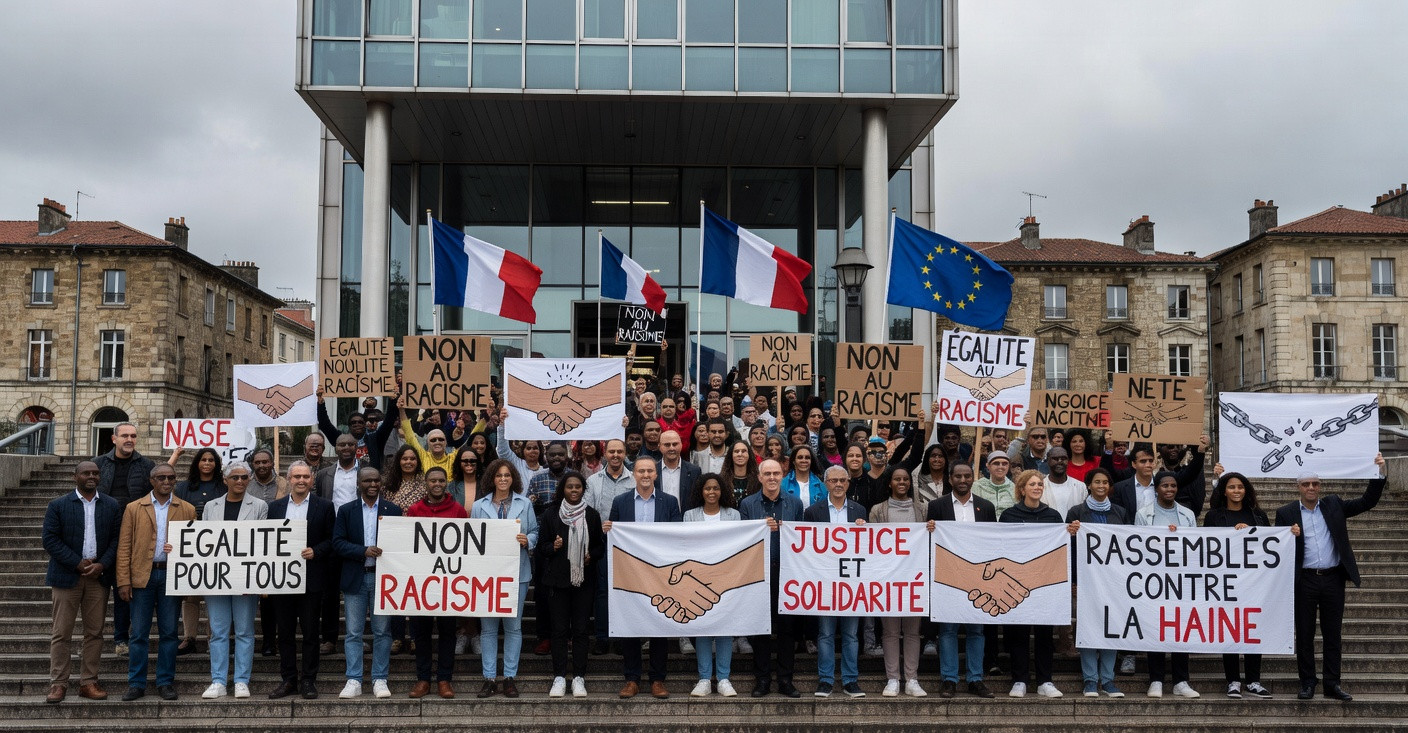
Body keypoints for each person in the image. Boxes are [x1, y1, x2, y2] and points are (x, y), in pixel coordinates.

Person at [1276, 454, 1385, 701]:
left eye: (1315, 484)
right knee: (1304, 634)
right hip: (1304, 580)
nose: (1311, 488)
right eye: (1306, 484)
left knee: (1332, 634)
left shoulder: (1334, 504)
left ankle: (1332, 684)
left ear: (1320, 486)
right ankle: (1307, 683)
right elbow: (1277, 545)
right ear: (1299, 488)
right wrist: (1288, 534)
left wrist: (1379, 473)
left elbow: (1367, 502)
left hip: (1333, 579)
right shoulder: (1286, 513)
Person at [43, 461, 123, 703]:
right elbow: (50, 540)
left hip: (98, 578)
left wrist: (102, 565)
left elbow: (117, 540)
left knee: (95, 632)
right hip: (67, 577)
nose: (91, 476)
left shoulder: (110, 505)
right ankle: (58, 683)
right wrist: (77, 563)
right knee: (61, 632)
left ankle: (88, 682)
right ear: (75, 476)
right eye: (86, 473)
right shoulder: (58, 505)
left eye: (95, 473)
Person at [604, 459, 682, 699]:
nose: (645, 474)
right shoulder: (621, 502)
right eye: (641, 471)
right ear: (634, 474)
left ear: (655, 474)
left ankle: (657, 680)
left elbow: (677, 534)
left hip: (661, 573)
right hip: (630, 572)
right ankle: (632, 679)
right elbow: (613, 536)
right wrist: (609, 528)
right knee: (631, 625)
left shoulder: (670, 502)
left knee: (660, 624)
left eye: (649, 470)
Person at [117, 463, 195, 701]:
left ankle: (165, 681)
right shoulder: (134, 508)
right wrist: (123, 580)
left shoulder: (187, 509)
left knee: (170, 632)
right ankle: (136, 683)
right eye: (161, 477)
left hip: (171, 575)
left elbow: (194, 545)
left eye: (171, 477)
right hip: (142, 575)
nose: (166, 481)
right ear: (152, 480)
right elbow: (124, 546)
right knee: (139, 633)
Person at [926, 462, 997, 699]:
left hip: (978, 578)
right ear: (950, 478)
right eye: (958, 476)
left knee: (977, 630)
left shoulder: (986, 507)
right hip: (948, 576)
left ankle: (975, 679)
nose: (963, 480)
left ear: (973, 478)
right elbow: (930, 540)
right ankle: (949, 679)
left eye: (967, 475)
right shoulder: (937, 506)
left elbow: (993, 542)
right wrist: (930, 529)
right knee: (948, 630)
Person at [199, 461, 270, 699]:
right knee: (218, 631)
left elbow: (262, 541)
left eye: (244, 477)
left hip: (246, 576)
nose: (240, 481)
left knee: (244, 631)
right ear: (225, 480)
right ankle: (218, 680)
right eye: (235, 477)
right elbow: (202, 541)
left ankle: (241, 680)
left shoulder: (259, 505)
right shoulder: (211, 506)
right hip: (216, 576)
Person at [267, 461, 335, 700]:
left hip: (311, 578)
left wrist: (315, 551)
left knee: (309, 633)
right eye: (297, 476)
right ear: (289, 478)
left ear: (312, 479)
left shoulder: (325, 507)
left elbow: (332, 540)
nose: (301, 480)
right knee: (284, 633)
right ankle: (288, 680)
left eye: (306, 476)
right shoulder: (274, 508)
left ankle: (308, 680)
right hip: (282, 579)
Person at [333, 467, 403, 699]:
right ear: (359, 484)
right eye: (367, 480)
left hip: (384, 579)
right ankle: (353, 679)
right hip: (356, 576)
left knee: (382, 631)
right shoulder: (346, 510)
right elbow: (338, 543)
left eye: (376, 479)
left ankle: (379, 678)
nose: (372, 484)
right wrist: (363, 551)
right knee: (353, 632)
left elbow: (401, 544)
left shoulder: (392, 510)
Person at [471, 459, 539, 699]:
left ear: (513, 479)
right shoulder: (479, 506)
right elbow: (472, 539)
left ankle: (509, 677)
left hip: (516, 573)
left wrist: (527, 540)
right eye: (498, 475)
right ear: (492, 478)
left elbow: (535, 532)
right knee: (488, 629)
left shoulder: (525, 503)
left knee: (513, 627)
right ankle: (489, 678)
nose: (502, 479)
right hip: (487, 575)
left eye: (507, 475)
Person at [1205, 466, 1273, 699]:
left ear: (1247, 490)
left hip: (1254, 582)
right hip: (1225, 582)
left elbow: (1270, 544)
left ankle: (1254, 680)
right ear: (1224, 491)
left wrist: (1252, 531)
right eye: (1232, 487)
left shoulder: (1258, 516)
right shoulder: (1214, 516)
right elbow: (1207, 547)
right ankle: (1233, 680)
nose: (1237, 490)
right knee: (1230, 631)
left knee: (1253, 629)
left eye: (1241, 487)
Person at [739, 459, 804, 698]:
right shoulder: (747, 504)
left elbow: (802, 538)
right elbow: (743, 539)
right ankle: (762, 680)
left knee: (787, 631)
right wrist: (760, 527)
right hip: (759, 574)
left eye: (776, 473)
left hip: (787, 574)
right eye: (767, 473)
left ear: (783, 475)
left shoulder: (795, 504)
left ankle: (786, 680)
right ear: (759, 477)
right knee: (761, 629)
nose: (772, 478)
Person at [538, 471, 605, 698]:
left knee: (580, 630)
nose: (574, 490)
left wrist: (591, 556)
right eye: (570, 487)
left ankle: (578, 678)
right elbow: (541, 548)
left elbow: (599, 548)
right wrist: (554, 547)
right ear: (563, 490)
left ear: (583, 489)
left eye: (578, 487)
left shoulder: (592, 516)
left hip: (583, 582)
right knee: (558, 631)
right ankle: (559, 677)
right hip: (557, 582)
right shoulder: (551, 515)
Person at [1063, 467, 1129, 698]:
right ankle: (1091, 680)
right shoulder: (1076, 512)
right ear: (1089, 485)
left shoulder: (1121, 512)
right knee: (1088, 629)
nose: (1101, 486)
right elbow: (1069, 549)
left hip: (1114, 582)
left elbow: (1130, 546)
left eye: (1105, 482)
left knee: (1111, 628)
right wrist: (1073, 579)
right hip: (1086, 581)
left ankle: (1108, 680)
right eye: (1097, 482)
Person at [999, 469, 1064, 699]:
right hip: (1017, 581)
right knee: (1019, 633)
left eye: (1040, 484)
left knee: (1045, 634)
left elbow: (1060, 546)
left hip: (1045, 582)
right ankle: (1019, 680)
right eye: (1032, 484)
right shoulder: (1009, 515)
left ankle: (1045, 681)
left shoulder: (1053, 516)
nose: (1037, 487)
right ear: (1022, 489)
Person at [1135, 470, 1199, 699]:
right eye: (1165, 486)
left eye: (1173, 486)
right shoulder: (1144, 514)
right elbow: (1139, 545)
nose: (1170, 490)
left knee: (1181, 630)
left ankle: (1181, 681)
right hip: (1155, 580)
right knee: (1156, 629)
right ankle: (1156, 680)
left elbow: (1196, 546)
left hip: (1182, 580)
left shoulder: (1188, 514)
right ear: (1156, 488)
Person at [804, 466, 866, 698]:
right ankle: (826, 680)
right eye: (833, 480)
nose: (838, 484)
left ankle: (850, 681)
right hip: (825, 583)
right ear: (825, 483)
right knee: (826, 634)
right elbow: (806, 546)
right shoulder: (813, 512)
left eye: (843, 480)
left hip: (852, 583)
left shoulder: (859, 510)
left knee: (851, 635)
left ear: (848, 483)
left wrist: (865, 530)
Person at [405, 467, 467, 699]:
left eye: (441, 480)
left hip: (449, 584)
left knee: (447, 633)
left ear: (446, 483)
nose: (437, 484)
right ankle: (423, 679)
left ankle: (444, 679)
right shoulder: (414, 510)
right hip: (421, 583)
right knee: (420, 633)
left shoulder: (458, 511)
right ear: (426, 483)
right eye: (433, 480)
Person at [94, 422, 155, 657]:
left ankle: (121, 638)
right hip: (104, 533)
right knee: (99, 590)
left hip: (134, 533)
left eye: (133, 436)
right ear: (114, 439)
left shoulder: (146, 465)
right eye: (125, 436)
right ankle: (95, 638)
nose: (129, 439)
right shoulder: (98, 464)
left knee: (124, 589)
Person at [868, 466, 927, 697]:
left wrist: (930, 529)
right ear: (889, 483)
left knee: (913, 631)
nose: (902, 482)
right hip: (887, 579)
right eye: (897, 479)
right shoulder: (877, 511)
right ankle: (892, 678)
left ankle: (912, 679)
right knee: (890, 632)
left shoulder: (922, 509)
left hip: (914, 578)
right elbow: (869, 544)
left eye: (905, 479)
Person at [683, 473, 741, 697]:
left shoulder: (733, 515)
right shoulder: (690, 516)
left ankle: (724, 678)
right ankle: (705, 678)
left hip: (726, 578)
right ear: (701, 491)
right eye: (707, 488)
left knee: (724, 628)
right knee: (703, 628)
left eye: (716, 488)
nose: (711, 492)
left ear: (722, 491)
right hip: (697, 580)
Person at [583, 439, 635, 653]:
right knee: (603, 592)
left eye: (619, 451)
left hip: (630, 545)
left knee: (627, 591)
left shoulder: (634, 480)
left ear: (625, 454)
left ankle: (625, 638)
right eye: (611, 451)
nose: (615, 455)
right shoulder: (593, 481)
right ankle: (603, 637)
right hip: (602, 542)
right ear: (605, 454)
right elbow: (587, 512)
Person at [173, 446, 223, 656]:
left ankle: (215, 638)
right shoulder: (184, 487)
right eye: (203, 460)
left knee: (215, 594)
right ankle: (189, 637)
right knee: (190, 595)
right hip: (190, 548)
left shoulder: (224, 486)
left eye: (211, 460)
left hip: (219, 547)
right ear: (197, 463)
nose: (207, 463)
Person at [655, 429, 701, 513]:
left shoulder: (694, 471)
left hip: (685, 521)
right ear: (659, 447)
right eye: (667, 445)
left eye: (675, 444)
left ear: (681, 445)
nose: (671, 448)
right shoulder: (653, 470)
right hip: (659, 522)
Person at [1042, 447, 1087, 524]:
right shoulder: (1039, 487)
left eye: (1063, 458)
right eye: (1055, 459)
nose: (1060, 461)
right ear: (1048, 461)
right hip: (1048, 533)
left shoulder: (1080, 487)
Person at [782, 444, 825, 509]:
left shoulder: (821, 486)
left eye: (807, 457)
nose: (804, 460)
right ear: (794, 461)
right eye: (800, 457)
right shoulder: (783, 484)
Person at [727, 439, 762, 504]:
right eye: (736, 451)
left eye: (744, 451)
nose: (740, 454)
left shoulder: (759, 480)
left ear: (749, 455)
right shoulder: (722, 480)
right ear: (731, 455)